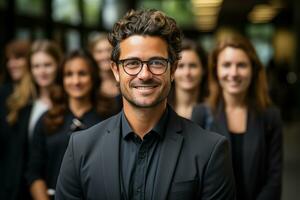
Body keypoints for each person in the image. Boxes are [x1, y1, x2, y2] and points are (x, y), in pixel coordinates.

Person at [55, 9, 235, 200]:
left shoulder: (210, 150)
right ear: (116, 70)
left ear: (172, 69)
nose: (144, 74)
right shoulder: (81, 147)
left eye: (156, 62)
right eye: (132, 63)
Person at [192, 34, 283, 200]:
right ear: (215, 70)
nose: (233, 73)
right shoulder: (201, 114)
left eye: (241, 65)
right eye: (226, 65)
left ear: (253, 70)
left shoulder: (270, 117)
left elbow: (274, 179)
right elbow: (195, 177)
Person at [26, 50, 104, 200]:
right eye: (69, 74)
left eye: (82, 73)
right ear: (61, 79)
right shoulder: (46, 120)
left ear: (93, 77)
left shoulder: (109, 117)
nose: (76, 81)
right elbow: (34, 172)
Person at [0, 39, 34, 200]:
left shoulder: (40, 96)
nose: (11, 64)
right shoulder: (5, 95)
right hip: (7, 184)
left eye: (18, 58)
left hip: (31, 185)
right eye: (9, 60)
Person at [27, 39, 63, 141]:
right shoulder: (26, 102)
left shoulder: (69, 100)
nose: (42, 72)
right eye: (36, 66)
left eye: (47, 65)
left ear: (58, 65)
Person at [168, 38, 208, 119]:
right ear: (172, 71)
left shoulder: (213, 112)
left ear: (203, 69)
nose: (187, 73)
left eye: (193, 66)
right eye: (181, 66)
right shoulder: (160, 110)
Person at [89, 33, 122, 118]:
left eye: (109, 50)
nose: (105, 56)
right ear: (92, 55)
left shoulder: (125, 79)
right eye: (99, 52)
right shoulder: (89, 83)